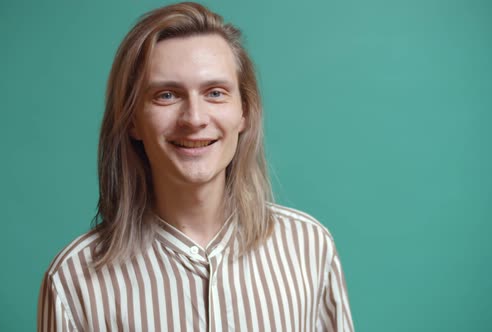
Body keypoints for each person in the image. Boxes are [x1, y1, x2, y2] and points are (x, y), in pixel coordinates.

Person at [37, 2, 354, 331]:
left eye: (215, 93)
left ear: (244, 112)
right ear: (131, 120)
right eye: (167, 95)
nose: (195, 119)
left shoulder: (310, 247)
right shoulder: (72, 281)